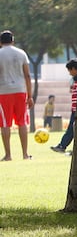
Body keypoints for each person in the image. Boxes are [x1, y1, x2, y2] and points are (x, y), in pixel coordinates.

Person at [0, 31, 34, 161]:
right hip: (20, 90)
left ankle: (8, 155)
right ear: (13, 40)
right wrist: (29, 95)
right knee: (22, 123)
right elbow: (27, 75)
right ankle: (25, 154)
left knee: (5, 124)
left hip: (3, 92)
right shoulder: (21, 53)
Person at [50, 59, 77, 153]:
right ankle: (63, 145)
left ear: (73, 69)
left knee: (72, 129)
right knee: (73, 129)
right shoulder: (76, 79)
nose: (69, 73)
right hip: (75, 109)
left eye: (69, 70)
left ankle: (62, 146)